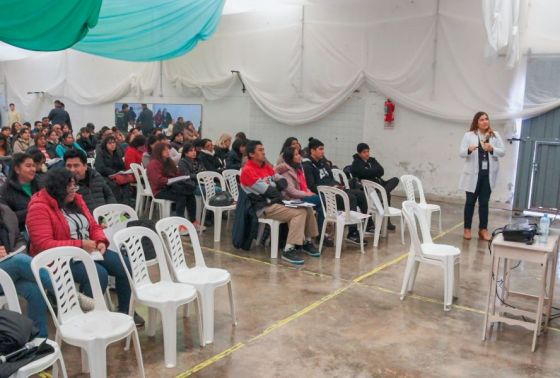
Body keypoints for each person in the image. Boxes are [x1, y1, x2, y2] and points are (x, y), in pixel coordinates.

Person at [26, 168, 144, 325]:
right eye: (69, 188)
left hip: (89, 249)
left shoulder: (76, 199)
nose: (73, 191)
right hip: (60, 258)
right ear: (57, 189)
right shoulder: (39, 207)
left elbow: (93, 225)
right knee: (98, 274)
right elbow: (43, 245)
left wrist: (101, 241)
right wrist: (80, 244)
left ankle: (125, 311)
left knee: (125, 265)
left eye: (74, 186)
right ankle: (85, 319)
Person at [240, 140, 320, 265]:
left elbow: (280, 180)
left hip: (274, 203)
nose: (264, 152)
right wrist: (277, 186)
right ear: (251, 154)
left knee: (307, 208)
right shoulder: (248, 171)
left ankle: (307, 242)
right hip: (263, 207)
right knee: (299, 213)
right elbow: (270, 191)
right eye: (260, 150)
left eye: (263, 149)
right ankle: (288, 250)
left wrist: (277, 184)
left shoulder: (265, 166)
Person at [303, 138, 370, 244]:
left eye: (323, 149)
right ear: (312, 150)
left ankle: (368, 225)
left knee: (360, 194)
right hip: (325, 194)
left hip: (334, 190)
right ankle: (351, 233)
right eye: (320, 149)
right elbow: (312, 186)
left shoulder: (323, 163)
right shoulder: (307, 166)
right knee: (350, 198)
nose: (323, 152)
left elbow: (331, 179)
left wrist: (337, 185)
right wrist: (331, 188)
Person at [0, 204, 51, 337]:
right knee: (20, 261)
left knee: (34, 288)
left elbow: (19, 239)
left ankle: (39, 340)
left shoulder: (5, 210)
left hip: (7, 269)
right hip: (8, 268)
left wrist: (13, 252)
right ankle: (64, 291)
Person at [459, 111, 505, 241]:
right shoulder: (468, 135)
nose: (485, 121)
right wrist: (469, 150)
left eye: (486, 119)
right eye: (481, 120)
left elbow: (502, 152)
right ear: (476, 122)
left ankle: (483, 229)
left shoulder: (495, 135)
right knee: (470, 203)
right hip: (472, 176)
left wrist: (492, 149)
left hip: (487, 176)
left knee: (484, 203)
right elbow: (461, 152)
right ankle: (467, 229)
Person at [146, 142, 200, 227]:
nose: (168, 151)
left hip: (169, 186)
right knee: (181, 197)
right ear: (159, 151)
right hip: (159, 190)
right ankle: (180, 224)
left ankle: (193, 221)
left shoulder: (168, 161)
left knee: (190, 194)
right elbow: (157, 180)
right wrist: (169, 180)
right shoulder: (153, 163)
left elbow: (176, 173)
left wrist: (181, 177)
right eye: (165, 150)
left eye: (168, 149)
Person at [350, 142, 400, 230]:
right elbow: (364, 174)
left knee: (395, 179)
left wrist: (370, 170)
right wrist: (373, 171)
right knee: (387, 195)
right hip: (370, 188)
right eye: (364, 152)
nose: (367, 154)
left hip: (380, 183)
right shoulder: (356, 164)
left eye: (368, 151)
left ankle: (383, 192)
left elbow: (381, 171)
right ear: (359, 153)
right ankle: (387, 221)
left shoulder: (372, 160)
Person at [0, 153, 42, 231]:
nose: (33, 169)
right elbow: (6, 218)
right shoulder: (5, 191)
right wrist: (33, 210)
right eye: (28, 166)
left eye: (33, 165)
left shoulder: (40, 183)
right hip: (22, 232)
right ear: (17, 169)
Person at [95, 135, 131, 204]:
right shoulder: (101, 154)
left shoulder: (117, 153)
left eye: (114, 143)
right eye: (110, 143)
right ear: (105, 145)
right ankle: (116, 205)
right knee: (114, 185)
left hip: (116, 175)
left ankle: (125, 205)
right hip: (105, 176)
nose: (112, 145)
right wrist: (113, 173)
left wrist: (121, 172)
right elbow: (100, 168)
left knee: (126, 184)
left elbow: (121, 166)